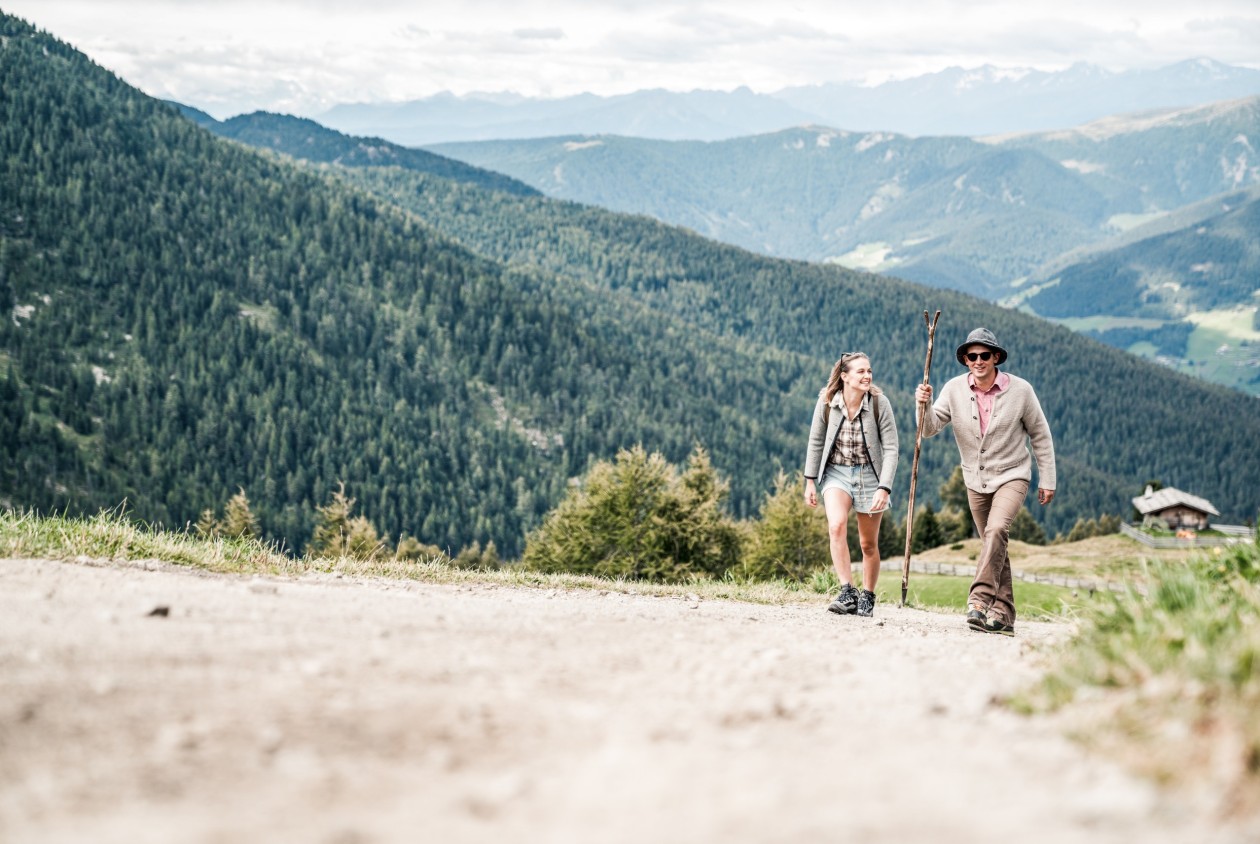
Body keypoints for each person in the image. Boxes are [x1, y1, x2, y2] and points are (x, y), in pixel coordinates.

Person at [914, 328, 1056, 636]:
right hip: (974, 479)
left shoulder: (1021, 391)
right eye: (972, 356)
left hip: (1013, 474)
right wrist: (922, 405)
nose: (978, 361)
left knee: (996, 530)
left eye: (984, 355)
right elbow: (928, 429)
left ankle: (978, 601)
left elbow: (1040, 435)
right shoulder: (953, 389)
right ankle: (1004, 614)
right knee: (994, 543)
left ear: (996, 358)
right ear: (965, 360)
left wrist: (1048, 478)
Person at [803, 352, 899, 618]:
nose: (867, 376)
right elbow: (815, 441)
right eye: (861, 372)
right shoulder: (827, 403)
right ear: (844, 376)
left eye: (869, 371)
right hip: (836, 473)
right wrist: (810, 481)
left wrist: (884, 486)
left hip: (870, 476)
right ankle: (847, 591)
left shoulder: (879, 403)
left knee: (868, 544)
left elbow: (891, 449)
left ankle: (867, 594)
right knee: (836, 526)